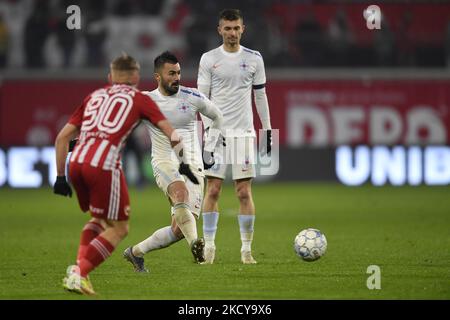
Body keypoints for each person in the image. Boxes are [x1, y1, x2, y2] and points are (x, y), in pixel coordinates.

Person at [53, 53, 199, 295]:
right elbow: (172, 133)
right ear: (136, 77)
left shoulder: (94, 96)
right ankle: (78, 272)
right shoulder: (140, 99)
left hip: (76, 162)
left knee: (98, 220)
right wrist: (183, 162)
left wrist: (60, 176)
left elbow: (62, 138)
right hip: (104, 165)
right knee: (120, 228)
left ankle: (81, 274)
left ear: (110, 77)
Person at [123, 51, 223, 272]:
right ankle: (197, 247)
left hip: (194, 166)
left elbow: (217, 117)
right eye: (171, 73)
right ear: (158, 77)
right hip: (164, 162)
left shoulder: (193, 96)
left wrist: (210, 147)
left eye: (178, 72)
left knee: (178, 229)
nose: (177, 77)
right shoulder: (146, 101)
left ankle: (135, 252)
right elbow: (121, 126)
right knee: (180, 194)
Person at [197, 9, 272, 264]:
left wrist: (268, 130)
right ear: (220, 30)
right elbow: (202, 100)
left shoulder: (254, 58)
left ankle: (246, 250)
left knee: (243, 192)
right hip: (216, 135)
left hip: (243, 133)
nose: (232, 33)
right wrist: (209, 132)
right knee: (214, 189)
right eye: (227, 28)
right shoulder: (208, 59)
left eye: (236, 28)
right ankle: (209, 247)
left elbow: (260, 96)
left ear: (243, 29)